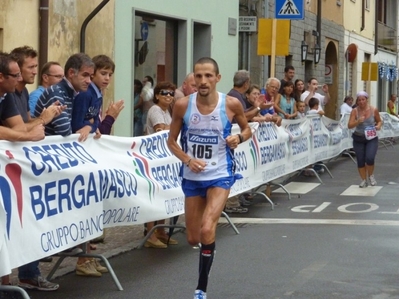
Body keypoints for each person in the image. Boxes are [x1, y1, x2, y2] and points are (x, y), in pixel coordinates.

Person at [167, 57, 252, 299]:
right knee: (193, 237)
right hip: (192, 176)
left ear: (217, 78)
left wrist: (239, 138)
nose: (203, 81)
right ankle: (208, 248)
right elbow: (171, 141)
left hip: (220, 174)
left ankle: (201, 288)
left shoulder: (232, 104)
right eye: (198, 76)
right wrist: (187, 159)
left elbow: (247, 129)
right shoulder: (183, 105)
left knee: (206, 229)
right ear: (193, 78)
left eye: (208, 76)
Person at [144, 81, 179, 248]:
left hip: (165, 158)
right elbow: (161, 129)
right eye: (164, 92)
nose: (168, 96)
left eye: (171, 93)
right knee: (154, 195)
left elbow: (170, 128)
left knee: (165, 194)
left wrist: (171, 127)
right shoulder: (155, 109)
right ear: (157, 95)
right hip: (154, 158)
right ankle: (150, 233)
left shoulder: (167, 111)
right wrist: (172, 127)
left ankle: (161, 231)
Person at [34, 53, 94, 136]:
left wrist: (89, 127)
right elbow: (64, 132)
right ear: (71, 73)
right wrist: (88, 125)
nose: (89, 81)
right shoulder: (56, 92)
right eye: (85, 75)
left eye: (91, 76)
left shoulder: (73, 93)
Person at [347, 91, 382, 188]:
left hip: (371, 138)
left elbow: (379, 121)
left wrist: (378, 126)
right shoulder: (354, 111)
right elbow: (349, 125)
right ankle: (363, 180)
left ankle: (371, 176)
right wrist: (357, 121)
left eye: (363, 99)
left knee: (370, 158)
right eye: (359, 100)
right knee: (361, 160)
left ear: (367, 100)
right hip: (359, 137)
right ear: (357, 101)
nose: (361, 102)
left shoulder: (373, 110)